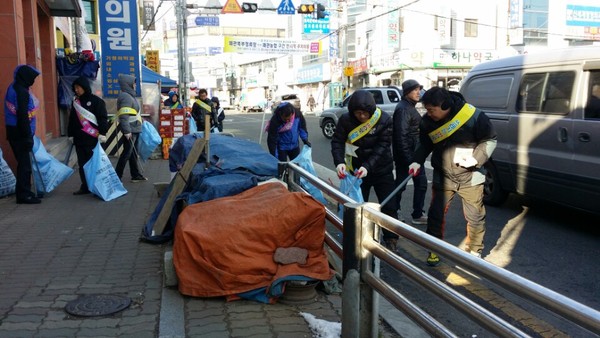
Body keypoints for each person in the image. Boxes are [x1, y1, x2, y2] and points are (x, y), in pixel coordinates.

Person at [409, 87, 497, 266]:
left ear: (445, 105)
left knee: (475, 216)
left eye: (431, 110)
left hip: (470, 176)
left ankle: (474, 250)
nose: (429, 113)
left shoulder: (473, 116)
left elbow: (490, 140)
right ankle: (435, 249)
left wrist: (475, 159)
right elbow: (425, 143)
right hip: (444, 175)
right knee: (435, 214)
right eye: (426, 109)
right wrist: (416, 160)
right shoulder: (427, 122)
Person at [331, 90, 399, 249]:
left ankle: (391, 238)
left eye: (365, 113)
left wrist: (367, 166)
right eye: (358, 113)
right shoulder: (345, 120)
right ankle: (357, 237)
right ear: (352, 111)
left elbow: (382, 146)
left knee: (389, 206)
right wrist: (339, 162)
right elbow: (337, 141)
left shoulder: (384, 119)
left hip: (382, 169)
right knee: (357, 206)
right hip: (356, 172)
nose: (362, 117)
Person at [4, 64, 42, 204]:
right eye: (32, 79)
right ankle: (24, 195)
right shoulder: (21, 92)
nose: (33, 81)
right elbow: (22, 116)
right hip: (20, 133)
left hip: (13, 131)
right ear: (26, 77)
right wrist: (27, 137)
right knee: (25, 165)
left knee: (23, 164)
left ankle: (25, 192)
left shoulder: (14, 86)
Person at [393, 79, 428, 225]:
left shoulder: (408, 106)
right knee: (413, 184)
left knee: (405, 184)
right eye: (415, 90)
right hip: (408, 156)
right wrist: (410, 160)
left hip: (412, 155)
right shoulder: (403, 109)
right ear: (407, 92)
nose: (418, 92)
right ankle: (413, 213)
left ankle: (397, 211)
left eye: (419, 89)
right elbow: (401, 135)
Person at [67, 76, 109, 195]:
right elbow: (72, 120)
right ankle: (85, 186)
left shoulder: (96, 101)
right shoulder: (75, 103)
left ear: (84, 87)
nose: (76, 90)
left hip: (93, 139)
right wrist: (70, 134)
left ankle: (97, 185)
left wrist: (103, 133)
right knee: (83, 164)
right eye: (74, 88)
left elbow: (102, 118)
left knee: (95, 164)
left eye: (78, 87)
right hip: (79, 139)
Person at [115, 73, 147, 182]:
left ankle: (135, 174)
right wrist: (127, 131)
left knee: (133, 153)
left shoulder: (130, 96)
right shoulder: (126, 97)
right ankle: (117, 176)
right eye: (133, 83)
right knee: (127, 153)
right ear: (127, 84)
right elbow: (124, 116)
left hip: (135, 128)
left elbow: (132, 112)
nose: (135, 85)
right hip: (131, 130)